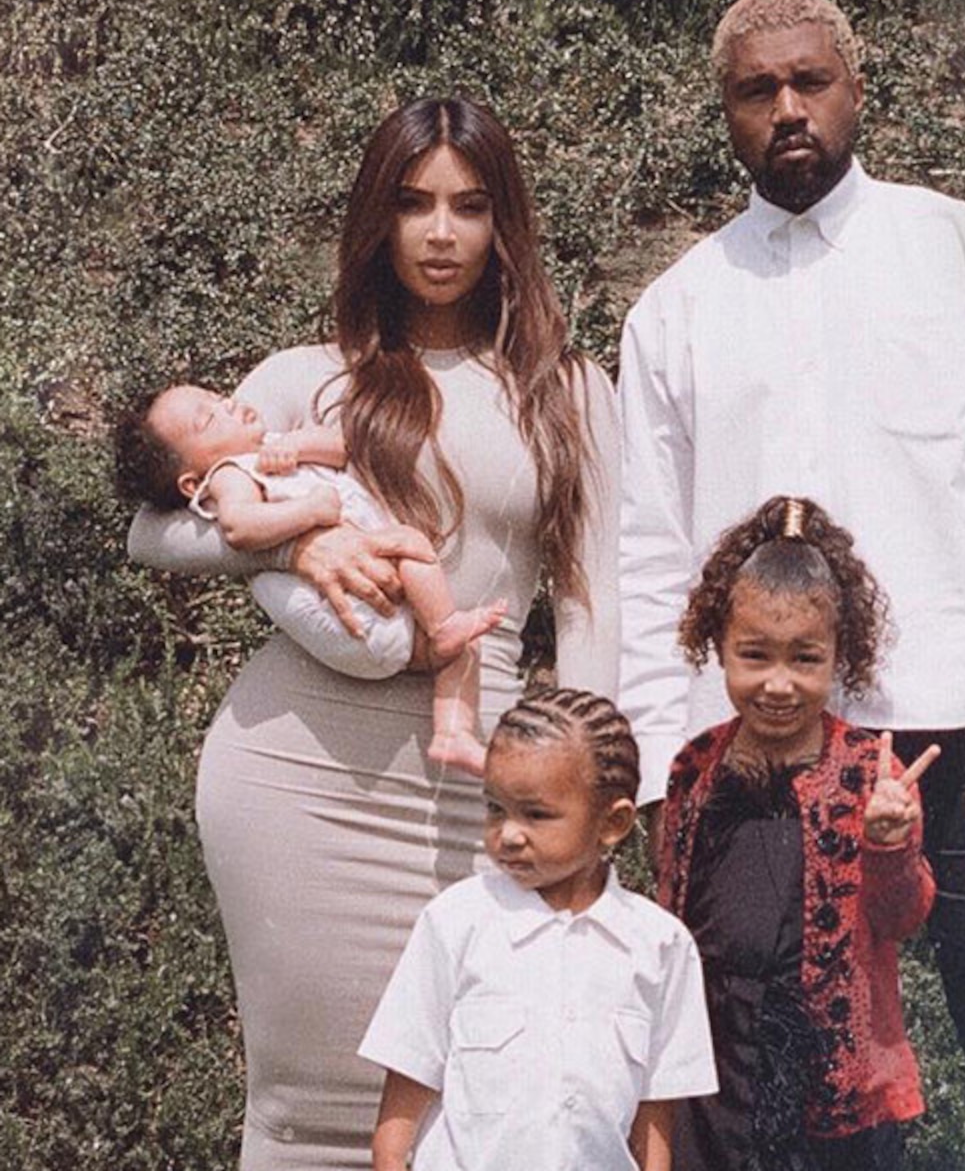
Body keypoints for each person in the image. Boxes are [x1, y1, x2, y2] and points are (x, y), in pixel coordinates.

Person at [618, 0, 965, 1170]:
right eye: (758, 90)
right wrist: (661, 774)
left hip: (961, 737)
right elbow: (649, 556)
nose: (788, 108)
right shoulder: (677, 311)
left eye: (811, 81)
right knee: (774, 1095)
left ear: (855, 88)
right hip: (759, 761)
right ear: (727, 112)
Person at [126, 97, 619, 1169]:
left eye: (469, 206)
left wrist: (589, 792)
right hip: (295, 773)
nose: (440, 233)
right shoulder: (306, 376)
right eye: (412, 204)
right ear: (376, 220)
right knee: (308, 1110)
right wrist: (294, 549)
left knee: (472, 1106)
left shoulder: (567, 390)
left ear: (503, 224)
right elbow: (152, 530)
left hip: (476, 769)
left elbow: (593, 606)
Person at [657, 496, 938, 1171]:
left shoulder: (872, 776)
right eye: (754, 656)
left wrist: (887, 843)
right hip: (714, 1061)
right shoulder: (696, 767)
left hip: (827, 1069)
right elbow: (672, 908)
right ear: (717, 646)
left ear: (840, 656)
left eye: (804, 659)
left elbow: (903, 917)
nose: (778, 685)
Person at [360, 688, 718, 1171]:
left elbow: (655, 1121)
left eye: (536, 814)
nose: (508, 834)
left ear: (613, 823)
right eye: (495, 808)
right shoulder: (456, 923)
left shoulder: (661, 947)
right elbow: (403, 1100)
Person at [115, 382, 507, 772]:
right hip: (352, 612)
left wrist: (297, 444)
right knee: (411, 544)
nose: (229, 404)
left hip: (383, 622)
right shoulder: (230, 473)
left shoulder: (273, 443)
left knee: (462, 649)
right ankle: (442, 624)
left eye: (218, 397)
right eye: (208, 418)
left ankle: (453, 732)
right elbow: (238, 527)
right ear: (190, 482)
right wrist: (307, 520)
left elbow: (344, 449)